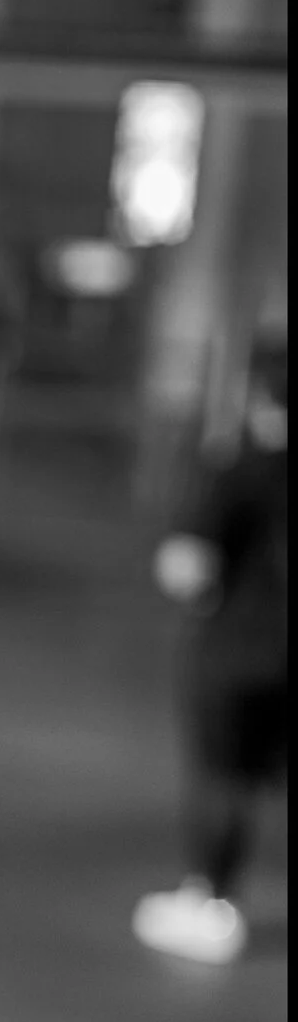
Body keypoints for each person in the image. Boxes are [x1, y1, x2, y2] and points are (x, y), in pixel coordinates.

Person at [135, 336, 289, 965]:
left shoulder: (239, 468)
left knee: (223, 779)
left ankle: (209, 904)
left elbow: (187, 568)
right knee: (262, 780)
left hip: (236, 654)